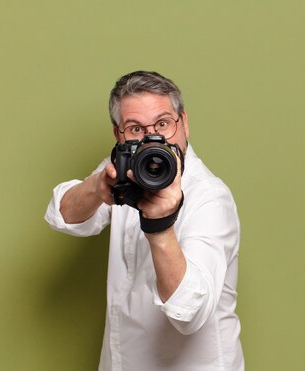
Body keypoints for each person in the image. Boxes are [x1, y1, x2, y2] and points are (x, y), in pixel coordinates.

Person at [44, 71, 244, 371]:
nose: (154, 138)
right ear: (118, 135)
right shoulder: (127, 168)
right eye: (136, 128)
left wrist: (160, 226)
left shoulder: (210, 197)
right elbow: (63, 216)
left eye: (163, 123)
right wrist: (97, 186)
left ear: (184, 123)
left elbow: (190, 313)